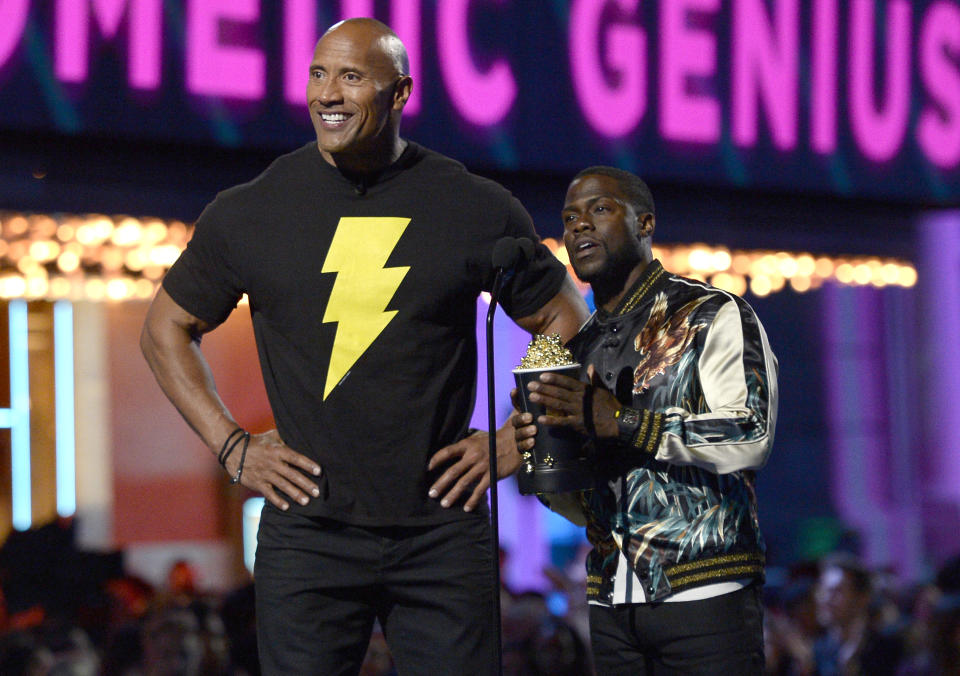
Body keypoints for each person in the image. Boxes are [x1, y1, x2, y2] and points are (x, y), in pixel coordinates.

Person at [140, 17, 587, 675]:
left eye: (351, 76)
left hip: (442, 530)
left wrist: (518, 436)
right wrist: (231, 445)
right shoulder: (251, 210)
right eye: (318, 74)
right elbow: (163, 331)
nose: (329, 94)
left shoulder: (472, 205)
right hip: (308, 533)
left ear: (400, 92)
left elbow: (564, 315)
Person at [513, 166, 779, 674]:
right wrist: (546, 457)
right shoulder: (578, 348)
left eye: (600, 209)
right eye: (570, 218)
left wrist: (626, 423)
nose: (580, 227)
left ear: (645, 223)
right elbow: (585, 505)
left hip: (705, 591)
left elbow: (751, 434)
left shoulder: (710, 314)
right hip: (612, 604)